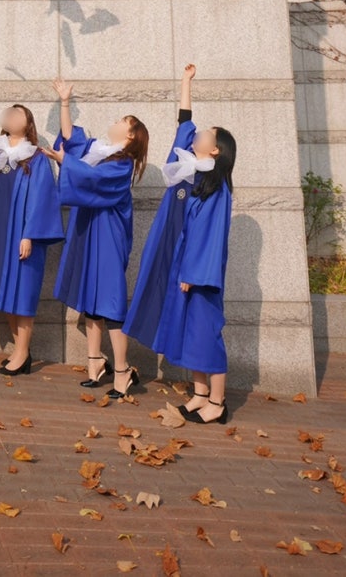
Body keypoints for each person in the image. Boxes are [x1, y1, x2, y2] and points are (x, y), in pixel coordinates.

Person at [122, 64, 236, 423]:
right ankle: (200, 393)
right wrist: (185, 84)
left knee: (206, 334)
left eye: (206, 135)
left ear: (216, 151)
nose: (197, 135)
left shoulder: (217, 188)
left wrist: (191, 272)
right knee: (191, 333)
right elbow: (184, 123)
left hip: (201, 275)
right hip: (185, 266)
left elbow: (207, 236)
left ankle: (218, 401)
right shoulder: (189, 171)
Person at [41, 80, 149, 400]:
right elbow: (72, 141)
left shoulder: (121, 163)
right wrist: (64, 102)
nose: (115, 122)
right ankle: (94, 363)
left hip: (108, 236)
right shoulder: (98, 150)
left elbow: (91, 177)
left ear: (130, 135)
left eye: (122, 121)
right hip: (90, 232)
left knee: (111, 303)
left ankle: (122, 370)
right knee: (91, 301)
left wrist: (64, 162)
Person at [0, 104, 64, 376]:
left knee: (23, 291)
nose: (12, 117)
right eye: (10, 113)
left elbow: (42, 198)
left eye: (19, 114)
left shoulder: (36, 157)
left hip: (22, 232)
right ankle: (22, 352)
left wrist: (29, 234)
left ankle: (21, 353)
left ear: (28, 122)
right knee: (3, 291)